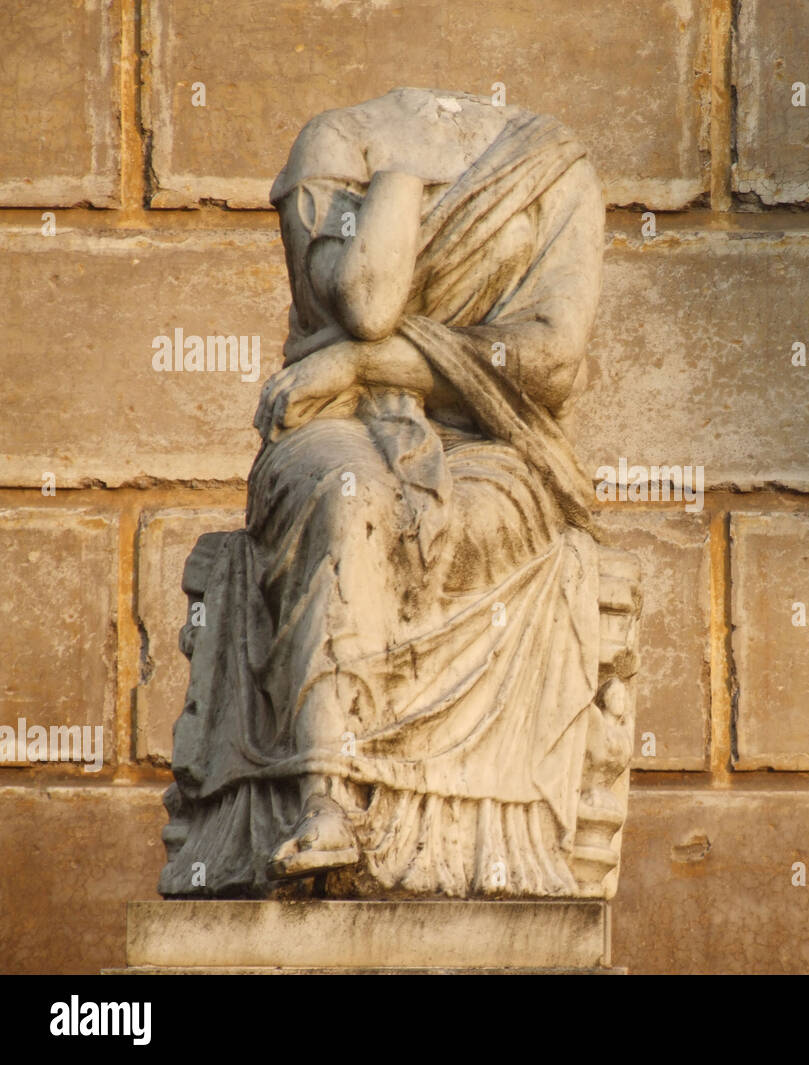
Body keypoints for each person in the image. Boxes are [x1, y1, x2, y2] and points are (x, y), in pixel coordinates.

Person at [158, 88, 607, 899]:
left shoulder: (552, 164)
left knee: (468, 523)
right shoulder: (333, 144)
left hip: (490, 442)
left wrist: (368, 363)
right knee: (346, 495)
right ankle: (324, 794)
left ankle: (483, 834)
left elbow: (548, 361)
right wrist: (398, 181)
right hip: (332, 423)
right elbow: (365, 301)